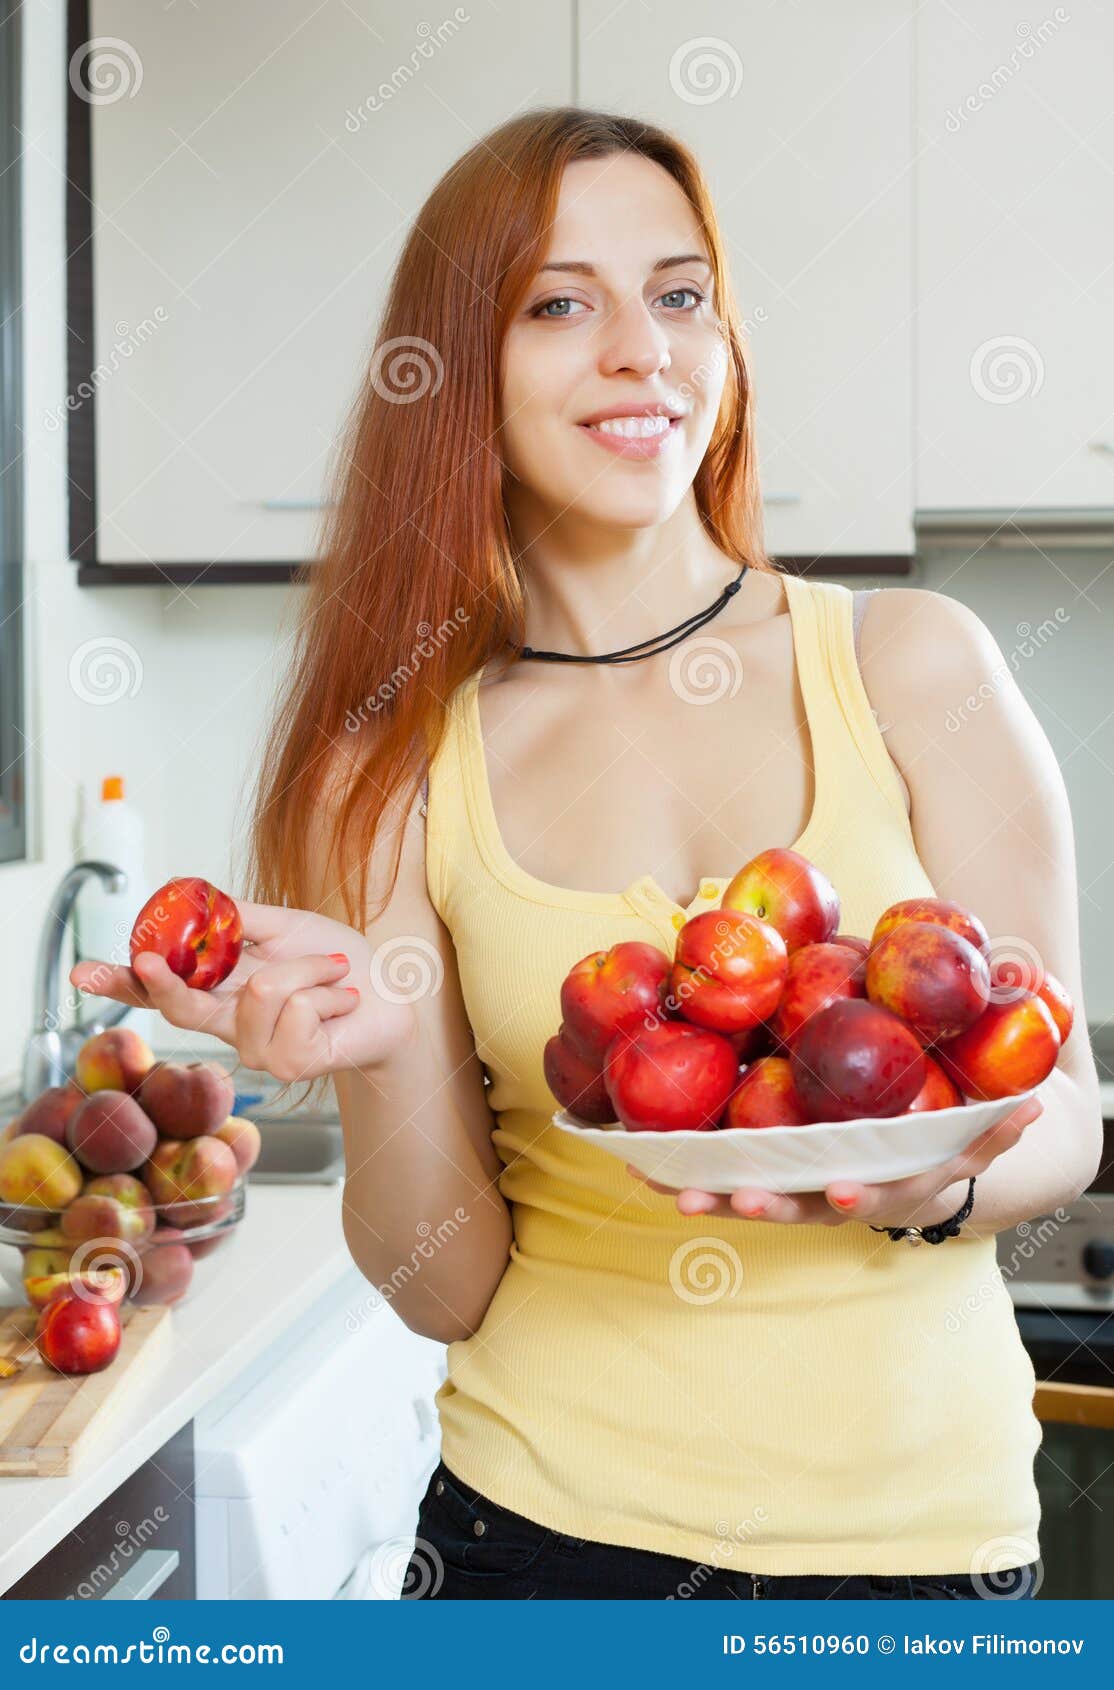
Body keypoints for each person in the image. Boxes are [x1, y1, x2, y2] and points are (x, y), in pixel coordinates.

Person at [73, 108, 1101, 1602]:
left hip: (922, 1547)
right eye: (561, 303)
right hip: (540, 1546)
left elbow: (1061, 1106)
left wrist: (925, 1189)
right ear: (455, 368)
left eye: (679, 296)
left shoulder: (910, 664)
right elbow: (447, 1282)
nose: (643, 349)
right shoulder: (391, 764)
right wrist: (371, 1051)